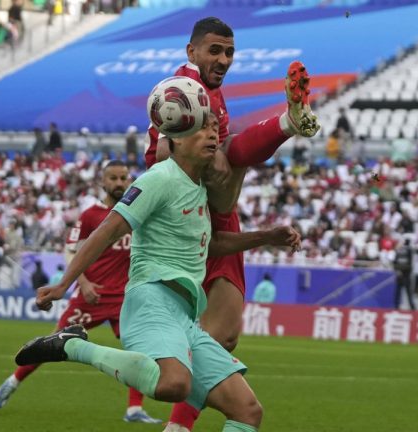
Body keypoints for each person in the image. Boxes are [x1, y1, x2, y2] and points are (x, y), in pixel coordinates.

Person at [14, 114, 301, 432]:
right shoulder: (159, 178)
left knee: (246, 410)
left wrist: (266, 236)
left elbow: (212, 244)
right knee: (173, 384)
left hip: (185, 315)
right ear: (176, 139)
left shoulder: (198, 189)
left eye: (214, 129)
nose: (213, 135)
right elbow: (109, 229)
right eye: (202, 129)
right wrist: (64, 284)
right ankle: (72, 346)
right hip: (151, 301)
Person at [144, 18, 318, 430]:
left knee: (223, 337)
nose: (223, 59)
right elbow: (158, 155)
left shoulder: (210, 92)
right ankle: (286, 123)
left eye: (229, 52)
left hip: (214, 215)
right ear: (192, 52)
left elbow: (224, 150)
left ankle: (177, 426)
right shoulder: (182, 90)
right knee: (210, 341)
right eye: (215, 51)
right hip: (191, 216)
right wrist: (203, 156)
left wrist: (215, 154)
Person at [0, 161, 162, 422]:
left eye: (123, 178)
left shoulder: (136, 213)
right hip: (90, 296)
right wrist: (83, 283)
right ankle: (13, 382)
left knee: (140, 348)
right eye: (113, 178)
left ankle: (134, 409)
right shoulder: (91, 216)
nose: (119, 183)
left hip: (125, 298)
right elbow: (71, 250)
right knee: (54, 342)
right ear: (102, 182)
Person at [393, 238, 415, 310]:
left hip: (403, 274)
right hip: (404, 274)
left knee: (402, 291)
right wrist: (399, 271)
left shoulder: (402, 250)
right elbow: (410, 263)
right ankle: (409, 306)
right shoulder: (405, 251)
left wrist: (398, 270)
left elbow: (395, 262)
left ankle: (398, 306)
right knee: (403, 291)